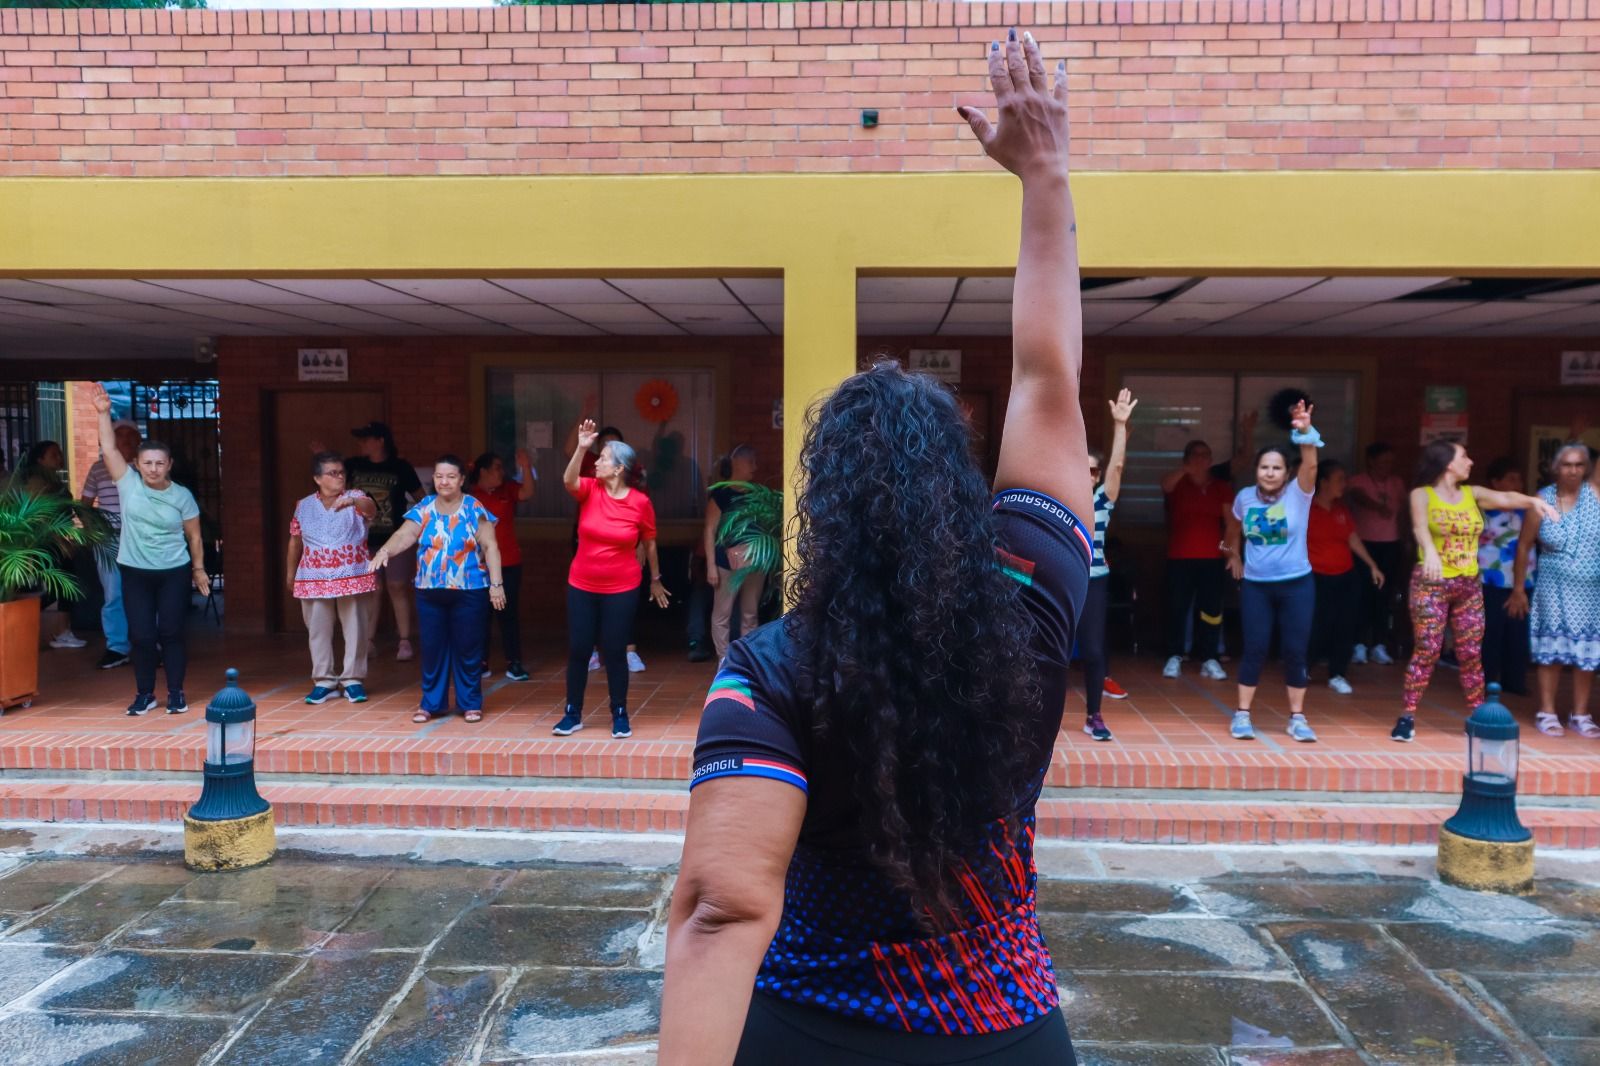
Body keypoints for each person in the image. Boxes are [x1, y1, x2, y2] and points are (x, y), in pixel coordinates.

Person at [660, 30, 1087, 1063]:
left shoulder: (767, 671)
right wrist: (1044, 173)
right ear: (959, 484)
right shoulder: (1027, 599)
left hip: (810, 1030)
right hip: (1006, 1033)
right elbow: (1046, 379)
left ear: (828, 507)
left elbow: (723, 908)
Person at [1392, 442, 1558, 743]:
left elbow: (1506, 497)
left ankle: (1478, 716)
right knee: (1427, 649)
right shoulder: (1422, 494)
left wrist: (1535, 502)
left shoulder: (1473, 494)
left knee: (1471, 654)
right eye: (1464, 457)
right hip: (1431, 583)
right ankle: (1407, 716)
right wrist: (1429, 551)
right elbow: (1419, 528)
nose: (1470, 461)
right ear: (1446, 464)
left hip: (1468, 585)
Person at [88, 383, 207, 717]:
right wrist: (101, 414)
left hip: (173, 571)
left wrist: (198, 570)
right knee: (141, 635)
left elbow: (194, 537)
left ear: (169, 464)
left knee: (170, 632)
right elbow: (109, 449)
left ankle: (176, 693)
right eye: (147, 463)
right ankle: (144, 694)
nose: (153, 468)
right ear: (137, 465)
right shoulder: (127, 484)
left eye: (159, 463)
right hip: (135, 571)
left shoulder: (182, 495)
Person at [369, 456, 505, 724]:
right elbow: (405, 534)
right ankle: (432, 704)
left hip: (470, 590)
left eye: (451, 476)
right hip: (429, 591)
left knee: (468, 650)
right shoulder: (424, 508)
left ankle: (470, 703)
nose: (444, 481)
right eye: (439, 476)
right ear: (433, 479)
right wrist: (385, 550)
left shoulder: (473, 508)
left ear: (462, 480)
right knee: (432, 649)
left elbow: (491, 546)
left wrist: (496, 585)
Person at [556, 424, 668, 740]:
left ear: (619, 468)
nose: (597, 463)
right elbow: (568, 480)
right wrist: (581, 447)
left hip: (622, 588)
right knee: (579, 648)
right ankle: (572, 713)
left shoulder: (639, 503)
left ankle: (619, 712)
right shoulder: (590, 489)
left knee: (616, 650)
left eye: (603, 458)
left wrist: (655, 580)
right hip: (581, 584)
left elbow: (649, 543)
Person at [1222, 403, 1322, 742]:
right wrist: (1233, 554)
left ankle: (1297, 717)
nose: (1269, 472)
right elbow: (1233, 526)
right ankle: (1242, 715)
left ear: (1286, 472)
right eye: (1264, 466)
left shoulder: (1300, 494)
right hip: (1256, 587)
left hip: (1297, 585)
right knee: (1254, 648)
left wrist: (1305, 431)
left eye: (1276, 467)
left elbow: (1311, 462)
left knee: (1295, 649)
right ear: (1257, 470)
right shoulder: (1245, 498)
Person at [1517, 444, 1600, 737]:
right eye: (1567, 465)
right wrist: (1518, 588)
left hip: (1591, 591)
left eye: (1579, 465)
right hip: (1552, 588)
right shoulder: (1543, 500)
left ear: (1587, 468)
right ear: (1555, 468)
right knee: (1551, 651)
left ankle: (1580, 714)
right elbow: (1525, 545)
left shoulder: (1595, 493)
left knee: (1587, 654)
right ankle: (1547, 711)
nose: (1573, 470)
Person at [286, 452, 379, 704]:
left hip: (352, 574)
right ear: (317, 478)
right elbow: (295, 541)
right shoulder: (303, 505)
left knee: (356, 628)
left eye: (341, 472)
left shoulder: (356, 497)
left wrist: (353, 503)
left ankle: (353, 679)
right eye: (332, 473)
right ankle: (324, 680)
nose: (339, 477)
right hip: (313, 577)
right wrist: (290, 574)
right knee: (317, 630)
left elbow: (371, 510)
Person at [1078, 389, 1136, 741]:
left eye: (1092, 470)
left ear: (1098, 476)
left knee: (1094, 650)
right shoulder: (1057, 497)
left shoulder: (1102, 500)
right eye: (1080, 469)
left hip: (1095, 580)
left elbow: (1117, 465)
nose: (1087, 475)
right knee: (1045, 650)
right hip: (1060, 580)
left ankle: (1094, 715)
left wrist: (1119, 425)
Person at [1307, 461, 1386, 695]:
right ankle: (1303, 668)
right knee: (1316, 625)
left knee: (1345, 625)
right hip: (1316, 577)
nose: (1345, 483)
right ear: (1323, 482)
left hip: (1346, 576)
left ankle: (1338, 673)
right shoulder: (1305, 509)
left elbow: (1352, 538)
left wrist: (1372, 565)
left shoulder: (1342, 509)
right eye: (1340, 478)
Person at [346, 421, 422, 662]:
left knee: (397, 586)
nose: (361, 444)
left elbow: (422, 498)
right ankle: (368, 640)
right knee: (372, 588)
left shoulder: (400, 467)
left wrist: (416, 528)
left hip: (395, 538)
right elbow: (335, 485)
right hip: (363, 539)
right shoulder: (353, 466)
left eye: (366, 439)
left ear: (380, 441)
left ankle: (404, 640)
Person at [1159, 439, 1231, 682]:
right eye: (1197, 455)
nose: (1203, 460)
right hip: (1180, 557)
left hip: (1213, 558)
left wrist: (1230, 551)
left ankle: (1210, 657)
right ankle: (1175, 655)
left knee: (1211, 609)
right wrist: (1185, 471)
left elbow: (1231, 523)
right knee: (1178, 607)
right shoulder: (1178, 483)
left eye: (1207, 455)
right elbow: (1166, 486)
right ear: (1187, 458)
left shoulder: (1220, 487)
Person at [469, 450, 536, 682]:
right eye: (497, 467)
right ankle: (481, 661)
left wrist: (526, 466)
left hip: (509, 563)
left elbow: (527, 492)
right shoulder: (469, 496)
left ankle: (514, 662)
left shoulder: (507, 489)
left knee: (508, 615)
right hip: (477, 566)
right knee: (479, 615)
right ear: (483, 472)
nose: (502, 471)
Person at [80, 420, 141, 669]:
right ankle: (117, 648)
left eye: (131, 436)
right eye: (120, 436)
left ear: (139, 441)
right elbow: (84, 504)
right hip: (108, 538)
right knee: (113, 593)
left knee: (144, 592)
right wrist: (92, 528)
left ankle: (151, 644)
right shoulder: (97, 468)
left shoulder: (145, 467)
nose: (126, 441)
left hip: (140, 538)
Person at [21, 441, 89, 652]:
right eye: (53, 454)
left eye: (60, 453)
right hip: (50, 542)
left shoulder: (54, 480)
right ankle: (56, 630)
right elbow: (39, 515)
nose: (59, 457)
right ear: (40, 459)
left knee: (61, 587)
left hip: (60, 540)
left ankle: (57, 630)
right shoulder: (37, 482)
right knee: (63, 586)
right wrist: (60, 540)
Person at [1479, 457, 1536, 698]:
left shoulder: (1529, 508)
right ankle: (1486, 680)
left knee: (1518, 629)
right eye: (1511, 478)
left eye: (1519, 478)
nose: (1518, 483)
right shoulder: (1481, 507)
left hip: (1524, 578)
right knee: (1491, 629)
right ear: (1495, 482)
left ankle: (1515, 680)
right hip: (1489, 577)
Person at [705, 444, 766, 664]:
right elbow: (710, 530)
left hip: (754, 562)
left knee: (750, 614)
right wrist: (711, 565)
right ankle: (723, 659)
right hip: (726, 563)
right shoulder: (721, 494)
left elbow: (764, 528)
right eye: (751, 462)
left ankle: (747, 661)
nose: (755, 467)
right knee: (723, 614)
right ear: (738, 463)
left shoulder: (757, 493)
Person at [1346, 442, 1406, 665]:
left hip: (1391, 544)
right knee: (1362, 594)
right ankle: (1359, 644)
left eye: (1390, 462)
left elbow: (1404, 510)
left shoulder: (1396, 483)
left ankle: (1379, 645)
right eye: (1382, 461)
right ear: (1371, 461)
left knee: (1384, 595)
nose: (1387, 466)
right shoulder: (1358, 481)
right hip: (1364, 545)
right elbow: (1357, 495)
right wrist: (1374, 505)